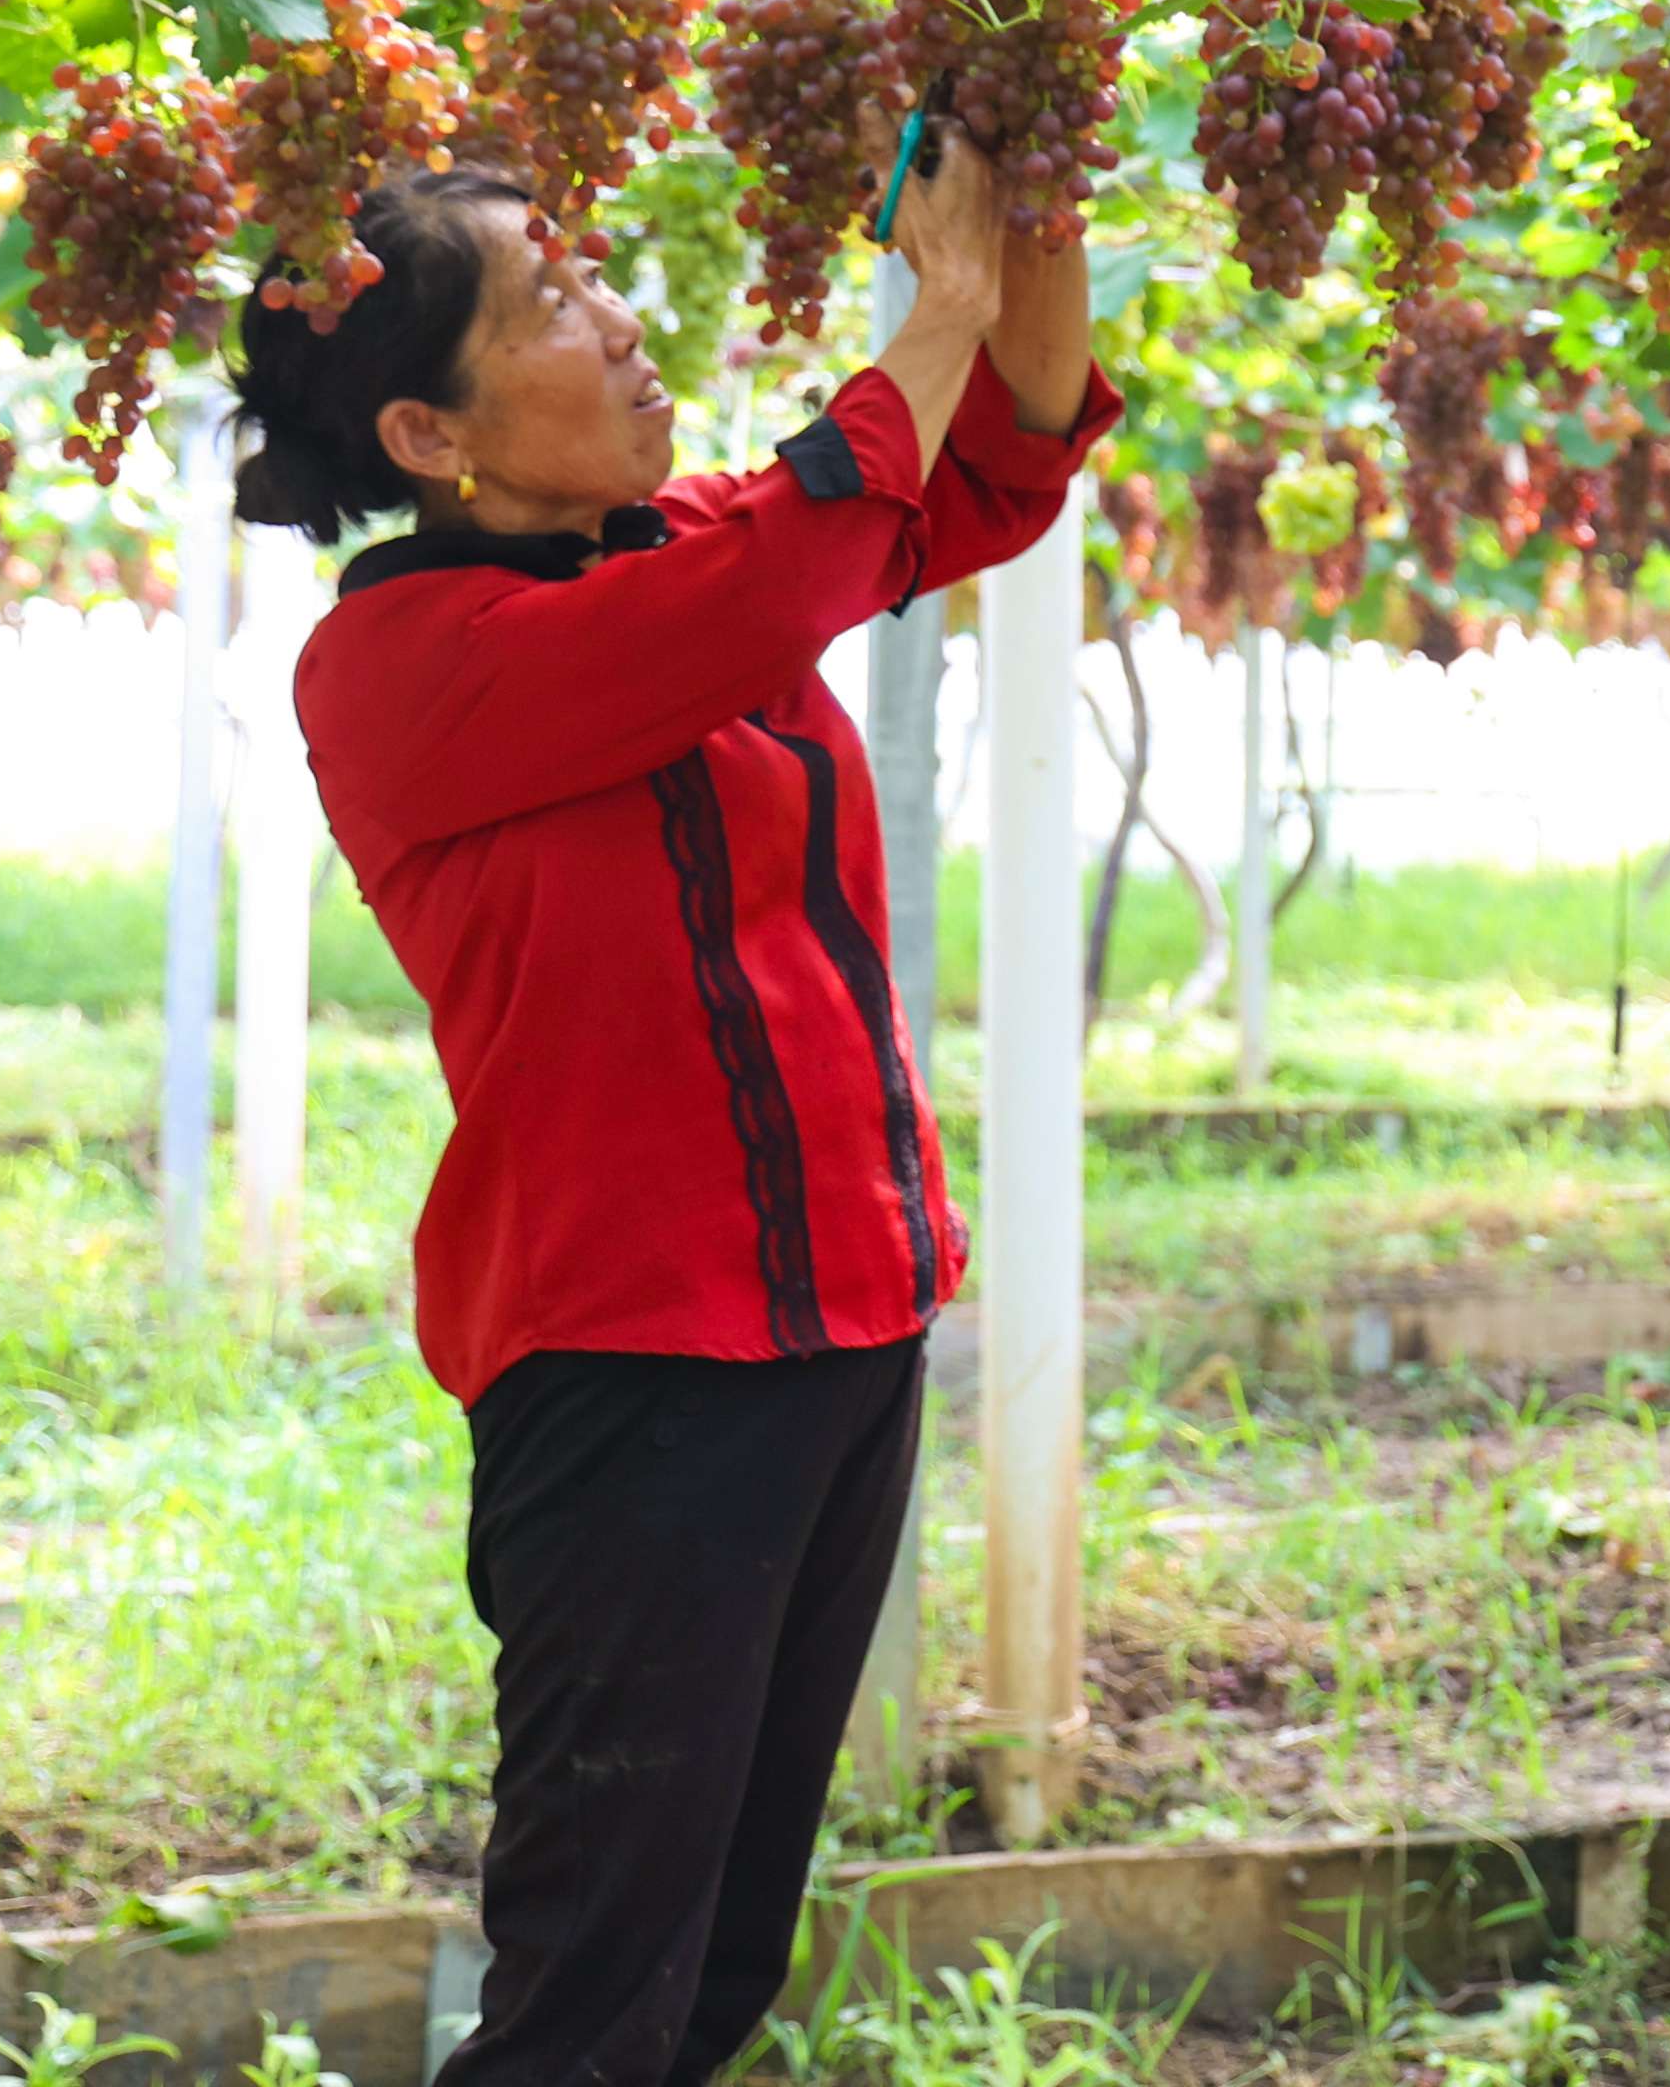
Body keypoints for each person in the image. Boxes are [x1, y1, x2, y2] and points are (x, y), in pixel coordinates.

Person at [234, 122, 1114, 2087]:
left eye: (595, 273)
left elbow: (1005, 461)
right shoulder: (396, 666)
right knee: (591, 1992)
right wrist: (936, 308)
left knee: (710, 1968)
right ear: (427, 442)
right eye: (551, 303)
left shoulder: (690, 552)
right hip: (636, 1370)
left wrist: (1020, 157)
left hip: (844, 1324)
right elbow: (778, 574)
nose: (622, 326)